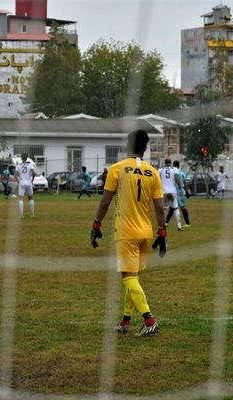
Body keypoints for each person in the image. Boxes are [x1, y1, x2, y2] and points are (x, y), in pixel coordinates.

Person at [91, 129, 166, 337]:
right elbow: (160, 208)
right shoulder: (153, 172)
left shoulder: (117, 169)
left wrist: (96, 224)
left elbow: (105, 201)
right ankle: (125, 321)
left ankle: (149, 320)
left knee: (128, 278)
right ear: (145, 148)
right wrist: (163, 231)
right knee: (132, 278)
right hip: (146, 233)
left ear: (128, 146)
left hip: (126, 232)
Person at [159, 158, 182, 231]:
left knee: (164, 208)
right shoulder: (175, 169)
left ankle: (162, 226)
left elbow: (157, 178)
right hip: (173, 191)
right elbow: (176, 177)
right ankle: (179, 226)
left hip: (164, 191)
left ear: (165, 163)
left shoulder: (160, 169)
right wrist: (180, 186)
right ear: (171, 162)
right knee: (175, 208)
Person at [170, 160, 190, 227]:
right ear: (179, 165)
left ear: (173, 165)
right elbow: (185, 183)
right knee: (182, 207)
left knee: (172, 207)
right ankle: (187, 223)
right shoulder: (182, 173)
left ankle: (166, 223)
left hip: (174, 191)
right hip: (181, 192)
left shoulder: (173, 173)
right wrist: (187, 192)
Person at [15, 154, 35, 218]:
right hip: (29, 183)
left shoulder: (18, 165)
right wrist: (32, 180)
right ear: (27, 158)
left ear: (21, 158)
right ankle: (32, 214)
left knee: (21, 198)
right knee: (30, 198)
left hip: (22, 183)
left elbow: (15, 175)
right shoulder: (30, 164)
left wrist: (18, 182)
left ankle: (21, 215)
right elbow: (34, 173)